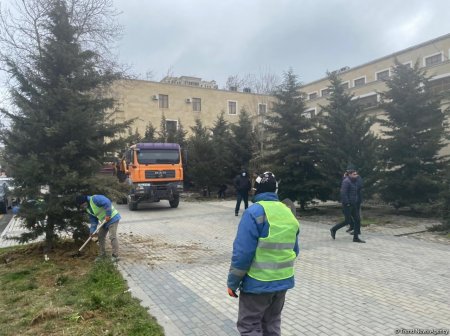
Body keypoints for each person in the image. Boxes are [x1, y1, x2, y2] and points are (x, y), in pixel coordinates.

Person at [227, 171, 300, 336]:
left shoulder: (253, 212)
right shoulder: (288, 212)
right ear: (275, 190)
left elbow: (243, 254)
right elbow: (295, 250)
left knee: (250, 326)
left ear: (256, 190)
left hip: (257, 284)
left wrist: (232, 283)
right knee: (272, 325)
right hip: (282, 283)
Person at [76, 194, 122, 261]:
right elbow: (93, 220)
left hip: (113, 218)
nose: (83, 206)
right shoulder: (88, 209)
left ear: (85, 201)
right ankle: (102, 254)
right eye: (81, 206)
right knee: (100, 236)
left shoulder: (95, 199)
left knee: (112, 236)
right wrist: (92, 231)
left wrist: (108, 215)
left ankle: (115, 256)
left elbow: (107, 202)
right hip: (104, 221)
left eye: (83, 204)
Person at [330, 167, 365, 243]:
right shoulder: (346, 181)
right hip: (348, 205)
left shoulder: (355, 181)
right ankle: (333, 229)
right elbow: (343, 193)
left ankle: (355, 238)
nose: (356, 175)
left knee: (357, 220)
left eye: (356, 174)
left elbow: (359, 187)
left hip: (354, 204)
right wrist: (347, 203)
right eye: (354, 174)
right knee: (347, 221)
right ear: (349, 175)